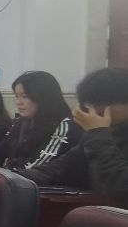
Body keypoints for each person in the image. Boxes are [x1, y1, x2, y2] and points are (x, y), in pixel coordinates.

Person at [16, 67, 128, 199]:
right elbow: (58, 169)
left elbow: (120, 186)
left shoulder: (98, 133)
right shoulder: (104, 132)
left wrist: (98, 134)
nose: (95, 110)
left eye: (102, 103)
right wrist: (11, 177)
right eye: (90, 103)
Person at [0, 70, 80, 169]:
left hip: (46, 185)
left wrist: (9, 167)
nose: (18, 102)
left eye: (24, 96)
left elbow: (38, 167)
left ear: (43, 97)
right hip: (21, 181)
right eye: (17, 96)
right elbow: (3, 149)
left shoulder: (64, 125)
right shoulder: (20, 122)